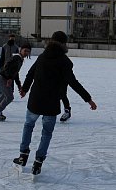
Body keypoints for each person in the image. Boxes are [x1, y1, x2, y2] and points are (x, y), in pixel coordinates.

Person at [13, 31, 97, 176]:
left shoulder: (42, 57)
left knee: (28, 126)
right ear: (64, 44)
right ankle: (38, 162)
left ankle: (23, 155)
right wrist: (88, 99)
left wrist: (25, 89)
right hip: (51, 103)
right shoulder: (65, 62)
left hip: (35, 100)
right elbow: (73, 82)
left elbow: (30, 74)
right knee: (46, 133)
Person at [0, 43, 31, 121]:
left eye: (28, 52)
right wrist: (9, 78)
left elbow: (15, 73)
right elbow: (6, 65)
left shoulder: (20, 59)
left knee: (3, 95)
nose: (26, 53)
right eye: (25, 51)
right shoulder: (16, 58)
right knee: (9, 97)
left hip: (1, 77)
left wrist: (19, 85)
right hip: (2, 78)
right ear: (20, 50)